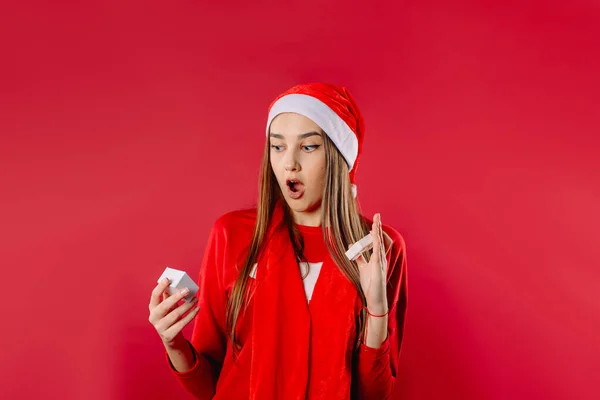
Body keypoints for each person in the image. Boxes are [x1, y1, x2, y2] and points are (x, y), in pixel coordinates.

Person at [148, 82, 408, 400]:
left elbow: (374, 394)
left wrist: (376, 308)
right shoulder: (231, 235)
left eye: (308, 146)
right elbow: (209, 386)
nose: (289, 163)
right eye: (278, 146)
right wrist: (173, 344)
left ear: (339, 157)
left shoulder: (379, 248)